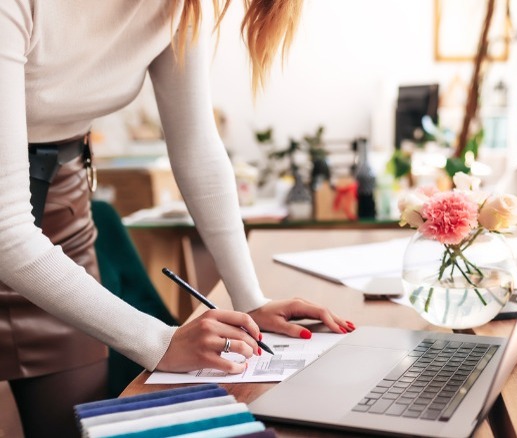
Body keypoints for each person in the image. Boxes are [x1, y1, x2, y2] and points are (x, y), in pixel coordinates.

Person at [0, 1, 355, 436]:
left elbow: (197, 148)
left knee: (70, 426)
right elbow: (7, 232)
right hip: (11, 224)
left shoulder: (180, 6)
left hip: (60, 210)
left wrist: (251, 301)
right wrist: (160, 342)